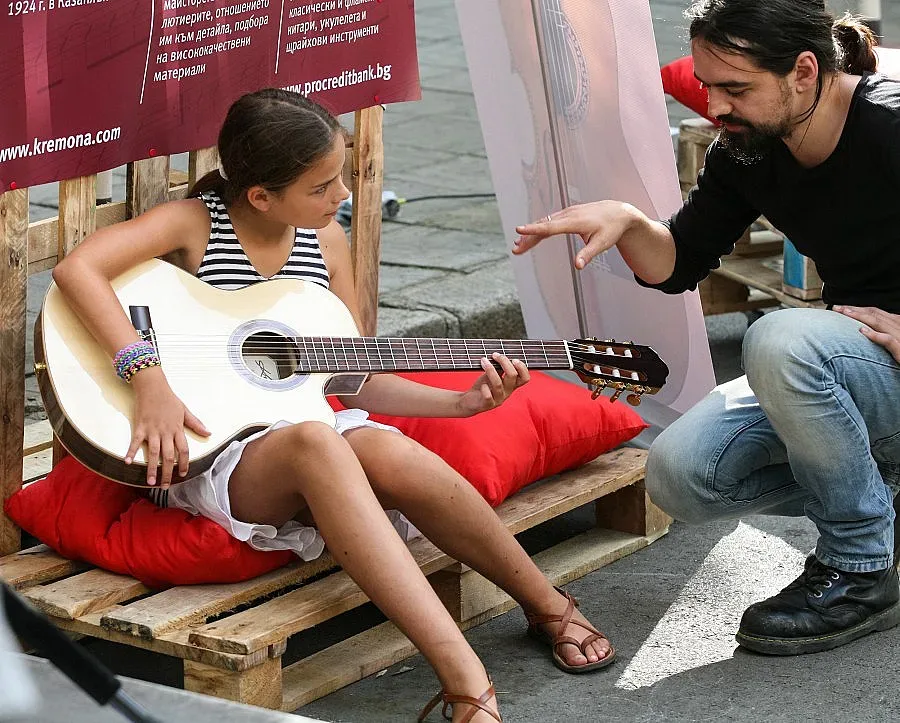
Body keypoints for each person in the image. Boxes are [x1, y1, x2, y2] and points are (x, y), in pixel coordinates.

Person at [51, 88, 615, 723]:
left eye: (341, 176)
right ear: (261, 196)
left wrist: (462, 405)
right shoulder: (195, 226)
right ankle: (464, 677)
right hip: (212, 452)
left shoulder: (324, 244)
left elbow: (351, 379)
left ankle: (547, 605)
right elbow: (78, 271)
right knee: (318, 442)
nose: (342, 195)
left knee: (382, 444)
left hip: (312, 428)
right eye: (322, 186)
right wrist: (148, 378)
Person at [514, 0, 900, 656]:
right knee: (681, 471)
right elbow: (680, 261)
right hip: (863, 370)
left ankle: (861, 566)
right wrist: (634, 225)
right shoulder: (749, 150)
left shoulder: (888, 124)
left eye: (735, 88)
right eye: (709, 85)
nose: (714, 107)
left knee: (780, 338)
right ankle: (875, 491)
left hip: (865, 360)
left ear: (803, 71)